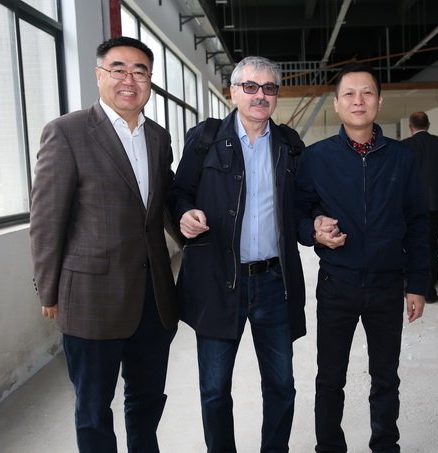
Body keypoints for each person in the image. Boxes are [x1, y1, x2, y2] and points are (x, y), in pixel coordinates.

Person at [29, 36, 179, 452]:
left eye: (140, 71)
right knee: (94, 408)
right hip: (91, 297)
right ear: (99, 76)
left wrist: (194, 233)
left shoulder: (158, 137)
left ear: (150, 81)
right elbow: (46, 218)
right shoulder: (68, 132)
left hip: (154, 297)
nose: (129, 79)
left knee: (147, 399)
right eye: (118, 69)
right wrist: (48, 290)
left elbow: (165, 204)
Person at [170, 56, 306, 453]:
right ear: (233, 92)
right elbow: (179, 193)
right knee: (214, 389)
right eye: (250, 86)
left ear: (276, 95)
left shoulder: (289, 145)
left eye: (269, 88)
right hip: (218, 280)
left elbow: (302, 206)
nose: (260, 95)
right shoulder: (206, 139)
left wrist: (316, 225)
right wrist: (184, 215)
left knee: (281, 385)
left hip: (274, 282)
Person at [295, 64, 428, 453]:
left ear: (379, 102)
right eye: (349, 94)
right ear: (336, 104)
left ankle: (385, 445)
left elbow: (419, 223)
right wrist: (314, 230)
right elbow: (297, 213)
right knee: (330, 378)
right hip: (337, 284)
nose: (358, 101)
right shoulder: (316, 158)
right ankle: (329, 447)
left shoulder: (402, 158)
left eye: (367, 92)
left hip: (387, 285)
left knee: (386, 377)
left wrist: (418, 284)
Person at [403, 111, 438, 302]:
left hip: (410, 204)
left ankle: (412, 285)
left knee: (411, 244)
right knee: (431, 245)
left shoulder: (405, 145)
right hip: (435, 203)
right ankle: (430, 289)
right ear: (428, 125)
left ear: (410, 128)